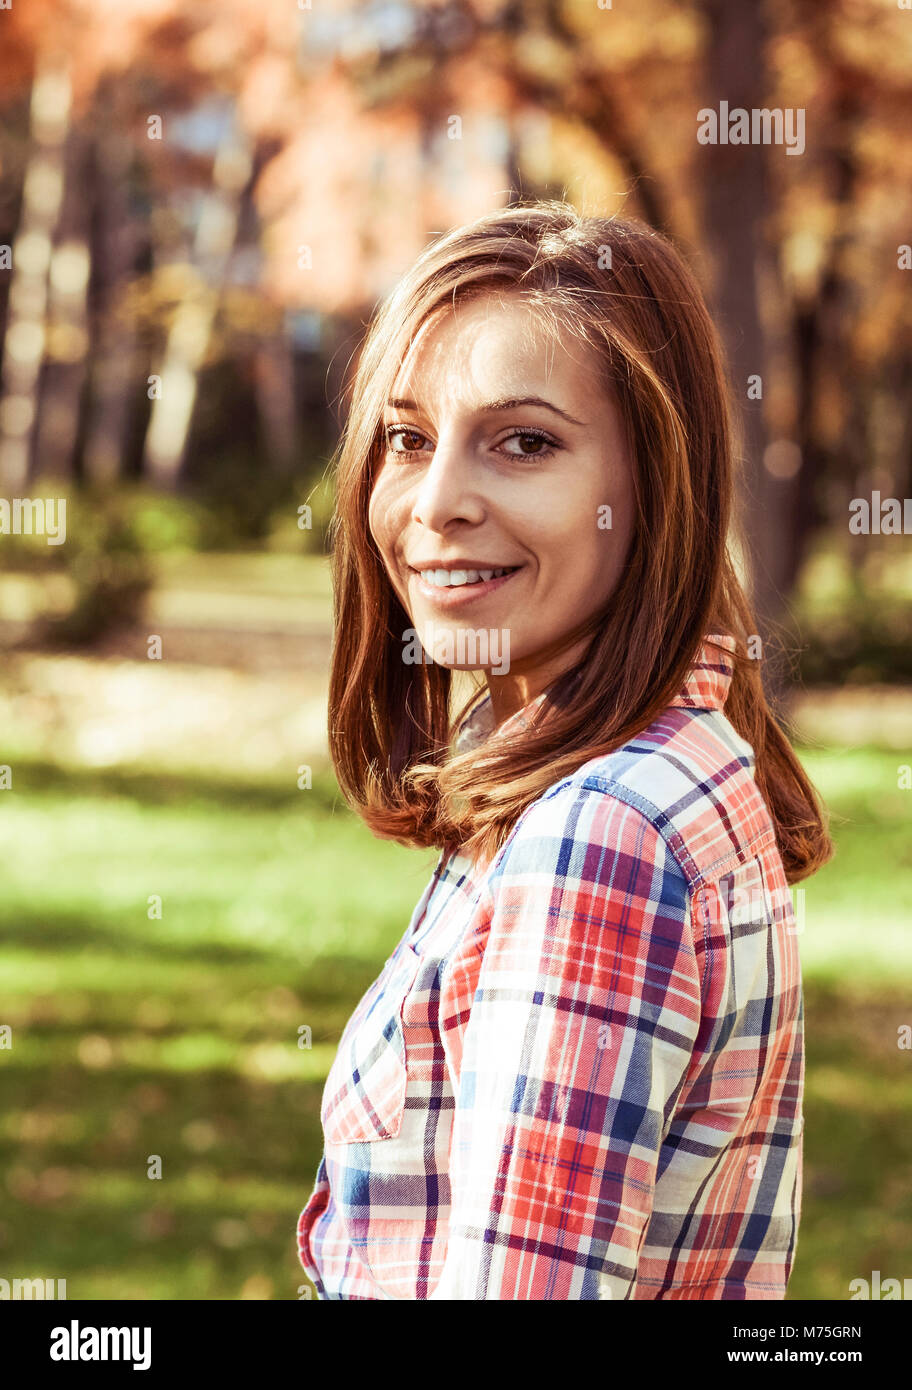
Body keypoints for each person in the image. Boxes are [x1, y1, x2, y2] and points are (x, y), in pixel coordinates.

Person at [296, 200, 833, 1300]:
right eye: (408, 438)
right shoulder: (653, 765)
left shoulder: (603, 834)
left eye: (525, 442)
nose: (437, 502)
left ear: (650, 484)